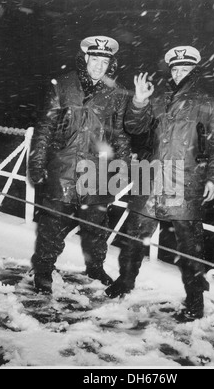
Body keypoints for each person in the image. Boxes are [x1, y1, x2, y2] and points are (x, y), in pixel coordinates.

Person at [106, 46, 214, 322]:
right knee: (133, 235)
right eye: (175, 69)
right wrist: (138, 101)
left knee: (190, 244)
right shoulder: (158, 98)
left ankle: (195, 300)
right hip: (150, 176)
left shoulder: (208, 102)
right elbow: (134, 128)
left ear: (194, 71)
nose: (179, 73)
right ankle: (125, 282)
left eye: (184, 69)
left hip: (185, 180)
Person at [28, 36, 131, 293]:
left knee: (96, 226)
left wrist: (125, 166)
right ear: (85, 58)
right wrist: (37, 162)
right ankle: (42, 271)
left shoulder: (117, 93)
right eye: (94, 59)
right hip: (63, 167)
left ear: (111, 64)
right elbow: (46, 127)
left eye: (104, 61)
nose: (98, 66)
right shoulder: (63, 86)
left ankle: (95, 268)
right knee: (52, 223)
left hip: (97, 171)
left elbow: (119, 134)